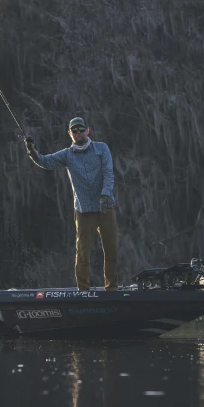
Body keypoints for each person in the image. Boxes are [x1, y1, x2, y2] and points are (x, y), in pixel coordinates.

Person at [25, 117, 119, 291]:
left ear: (87, 130)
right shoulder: (67, 155)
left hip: (104, 207)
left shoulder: (101, 148)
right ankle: (83, 291)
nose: (78, 133)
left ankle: (111, 288)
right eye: (74, 131)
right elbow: (44, 161)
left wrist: (105, 195)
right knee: (82, 252)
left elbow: (108, 173)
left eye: (80, 129)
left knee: (111, 248)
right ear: (70, 134)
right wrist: (31, 149)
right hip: (83, 210)